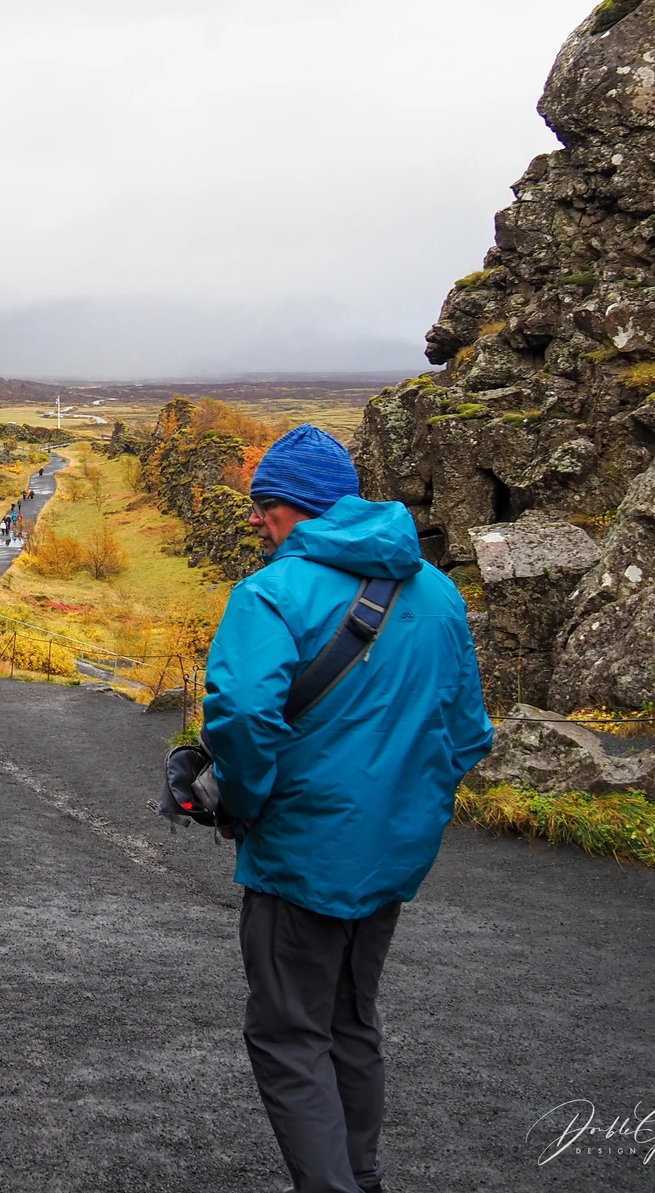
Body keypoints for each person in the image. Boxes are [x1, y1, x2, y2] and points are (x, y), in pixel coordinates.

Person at [202, 425, 493, 1193]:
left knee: (289, 1035)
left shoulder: (270, 594)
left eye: (266, 504)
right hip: (391, 860)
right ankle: (363, 1178)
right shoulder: (440, 594)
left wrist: (242, 804)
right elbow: (468, 736)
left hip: (301, 858)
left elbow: (241, 716)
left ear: (301, 506)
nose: (256, 519)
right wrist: (404, 813)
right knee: (351, 1022)